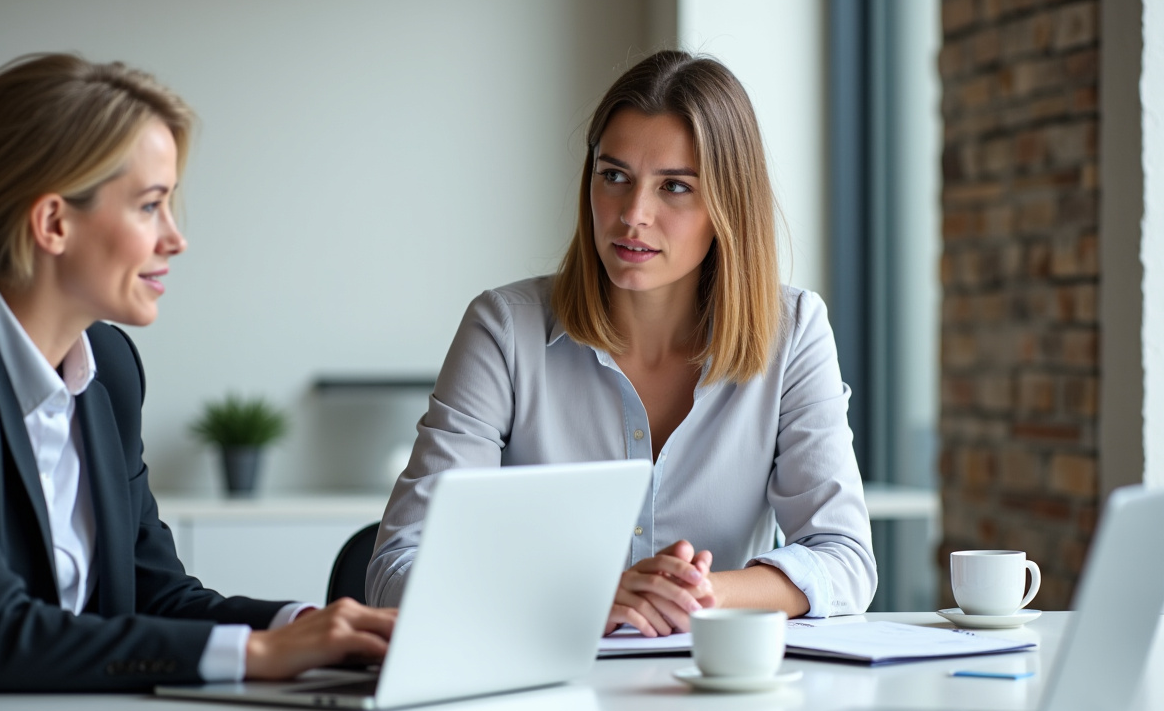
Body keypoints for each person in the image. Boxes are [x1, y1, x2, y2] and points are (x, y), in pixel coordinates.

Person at [0, 53, 395, 711]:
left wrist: (310, 626)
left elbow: (155, 594)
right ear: (54, 223)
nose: (175, 238)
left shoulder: (110, 368)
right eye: (151, 204)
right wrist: (256, 657)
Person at [366, 50, 876, 634]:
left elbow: (845, 559)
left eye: (675, 187)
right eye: (614, 176)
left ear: (726, 206)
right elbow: (395, 570)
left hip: (716, 690)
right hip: (538, 696)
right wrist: (587, 597)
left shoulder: (794, 332)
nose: (633, 215)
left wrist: (693, 594)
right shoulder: (503, 330)